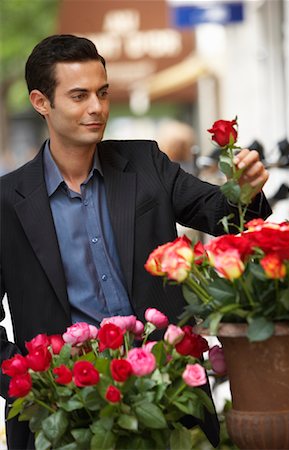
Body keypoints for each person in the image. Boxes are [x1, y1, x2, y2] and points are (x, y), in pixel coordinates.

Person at [0, 34, 271, 450]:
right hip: (63, 411)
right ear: (41, 102)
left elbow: (223, 215)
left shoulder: (146, 164)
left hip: (167, 398)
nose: (97, 108)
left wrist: (245, 190)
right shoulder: (8, 201)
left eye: (103, 93)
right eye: (79, 95)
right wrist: (24, 380)